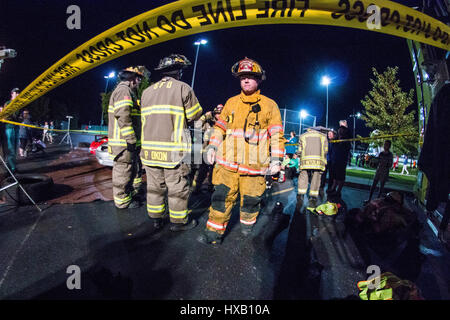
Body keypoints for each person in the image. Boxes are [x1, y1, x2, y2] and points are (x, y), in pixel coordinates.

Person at [198, 57, 286, 245]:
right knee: (221, 199)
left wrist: (277, 160)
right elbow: (220, 127)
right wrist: (212, 146)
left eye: (251, 77)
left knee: (251, 201)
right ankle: (213, 233)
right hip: (227, 165)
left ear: (259, 79)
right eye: (242, 77)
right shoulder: (231, 102)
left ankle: (247, 226)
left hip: (254, 168)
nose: (245, 80)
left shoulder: (270, 105)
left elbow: (277, 135)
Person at [140, 54, 202, 231]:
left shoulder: (147, 92)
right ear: (179, 71)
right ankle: (178, 222)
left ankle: (156, 219)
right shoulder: (183, 88)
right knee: (177, 187)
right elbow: (194, 116)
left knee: (154, 187)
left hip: (150, 151)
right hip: (173, 151)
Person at [107, 66, 145, 210]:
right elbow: (123, 116)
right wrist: (130, 139)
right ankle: (122, 202)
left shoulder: (129, 91)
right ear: (133, 78)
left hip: (126, 143)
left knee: (130, 170)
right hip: (123, 143)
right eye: (139, 78)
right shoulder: (124, 91)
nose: (139, 82)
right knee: (123, 171)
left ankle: (128, 195)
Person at [192, 104, 223, 194]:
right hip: (205, 152)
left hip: (218, 153)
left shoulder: (225, 125)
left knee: (215, 172)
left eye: (221, 113)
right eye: (217, 113)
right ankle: (196, 189)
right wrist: (205, 117)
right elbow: (197, 125)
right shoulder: (208, 124)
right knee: (202, 171)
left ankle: (211, 188)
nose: (219, 115)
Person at [296, 127, 328, 212]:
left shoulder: (302, 136)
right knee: (316, 178)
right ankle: (313, 198)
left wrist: (298, 155)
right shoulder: (323, 136)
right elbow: (325, 151)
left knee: (303, 177)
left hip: (305, 162)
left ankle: (301, 195)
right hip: (318, 162)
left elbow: (299, 150)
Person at [327, 123, 351, 198]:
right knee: (335, 176)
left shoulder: (346, 141)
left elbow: (346, 149)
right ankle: (333, 188)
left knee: (341, 177)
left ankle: (338, 191)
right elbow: (332, 144)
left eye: (341, 130)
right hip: (335, 160)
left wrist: (341, 141)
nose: (340, 131)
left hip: (342, 161)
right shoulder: (336, 139)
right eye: (339, 130)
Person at [3, 88, 21, 173]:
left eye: (18, 93)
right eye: (16, 93)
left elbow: (19, 117)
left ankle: (13, 167)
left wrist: (20, 118)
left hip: (16, 128)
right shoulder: (8, 103)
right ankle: (11, 168)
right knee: (10, 149)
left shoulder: (19, 104)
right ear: (12, 94)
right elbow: (7, 116)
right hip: (9, 128)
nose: (17, 94)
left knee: (15, 149)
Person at [320, 129, 335, 198]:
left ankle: (330, 188)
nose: (329, 135)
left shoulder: (335, 142)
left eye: (330, 134)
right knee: (323, 174)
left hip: (332, 161)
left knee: (331, 175)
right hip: (326, 160)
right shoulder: (326, 141)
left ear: (333, 135)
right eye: (328, 134)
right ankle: (322, 185)